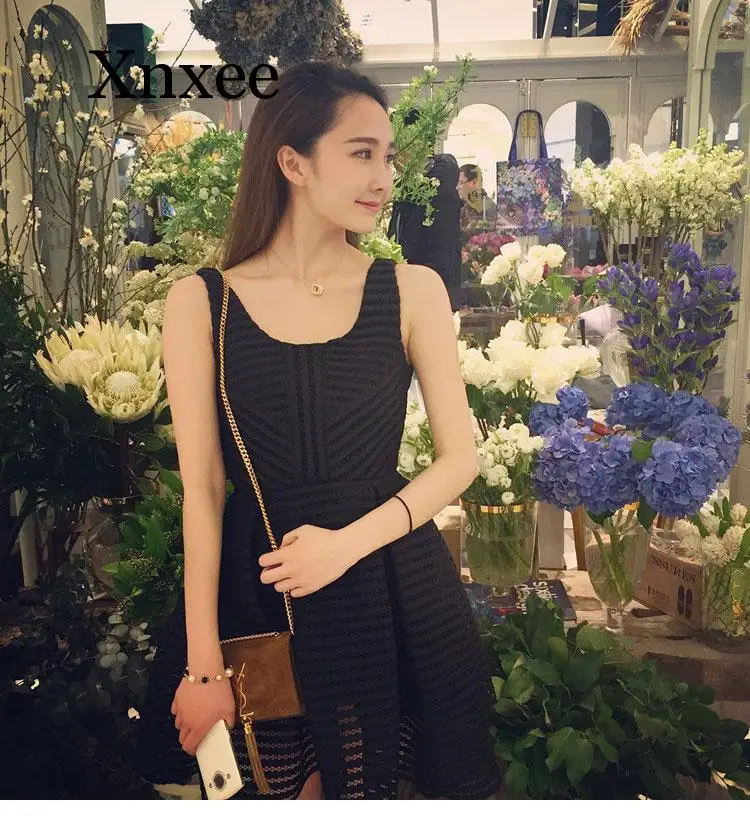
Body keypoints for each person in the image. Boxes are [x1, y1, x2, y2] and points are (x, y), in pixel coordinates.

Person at [134, 60, 501, 801]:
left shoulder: (412, 290)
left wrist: (344, 546)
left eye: (388, 157)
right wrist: (203, 667)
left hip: (389, 588)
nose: (383, 178)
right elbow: (203, 490)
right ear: (292, 162)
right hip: (261, 592)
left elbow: (459, 459)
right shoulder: (202, 302)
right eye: (362, 153)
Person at [387, 153, 464, 311]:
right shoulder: (408, 188)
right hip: (417, 284)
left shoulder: (440, 193)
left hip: (427, 290)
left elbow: (441, 251)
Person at [457, 163, 497, 234]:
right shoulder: (462, 204)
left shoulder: (487, 208)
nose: (457, 187)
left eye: (460, 183)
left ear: (474, 183)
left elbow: (484, 237)